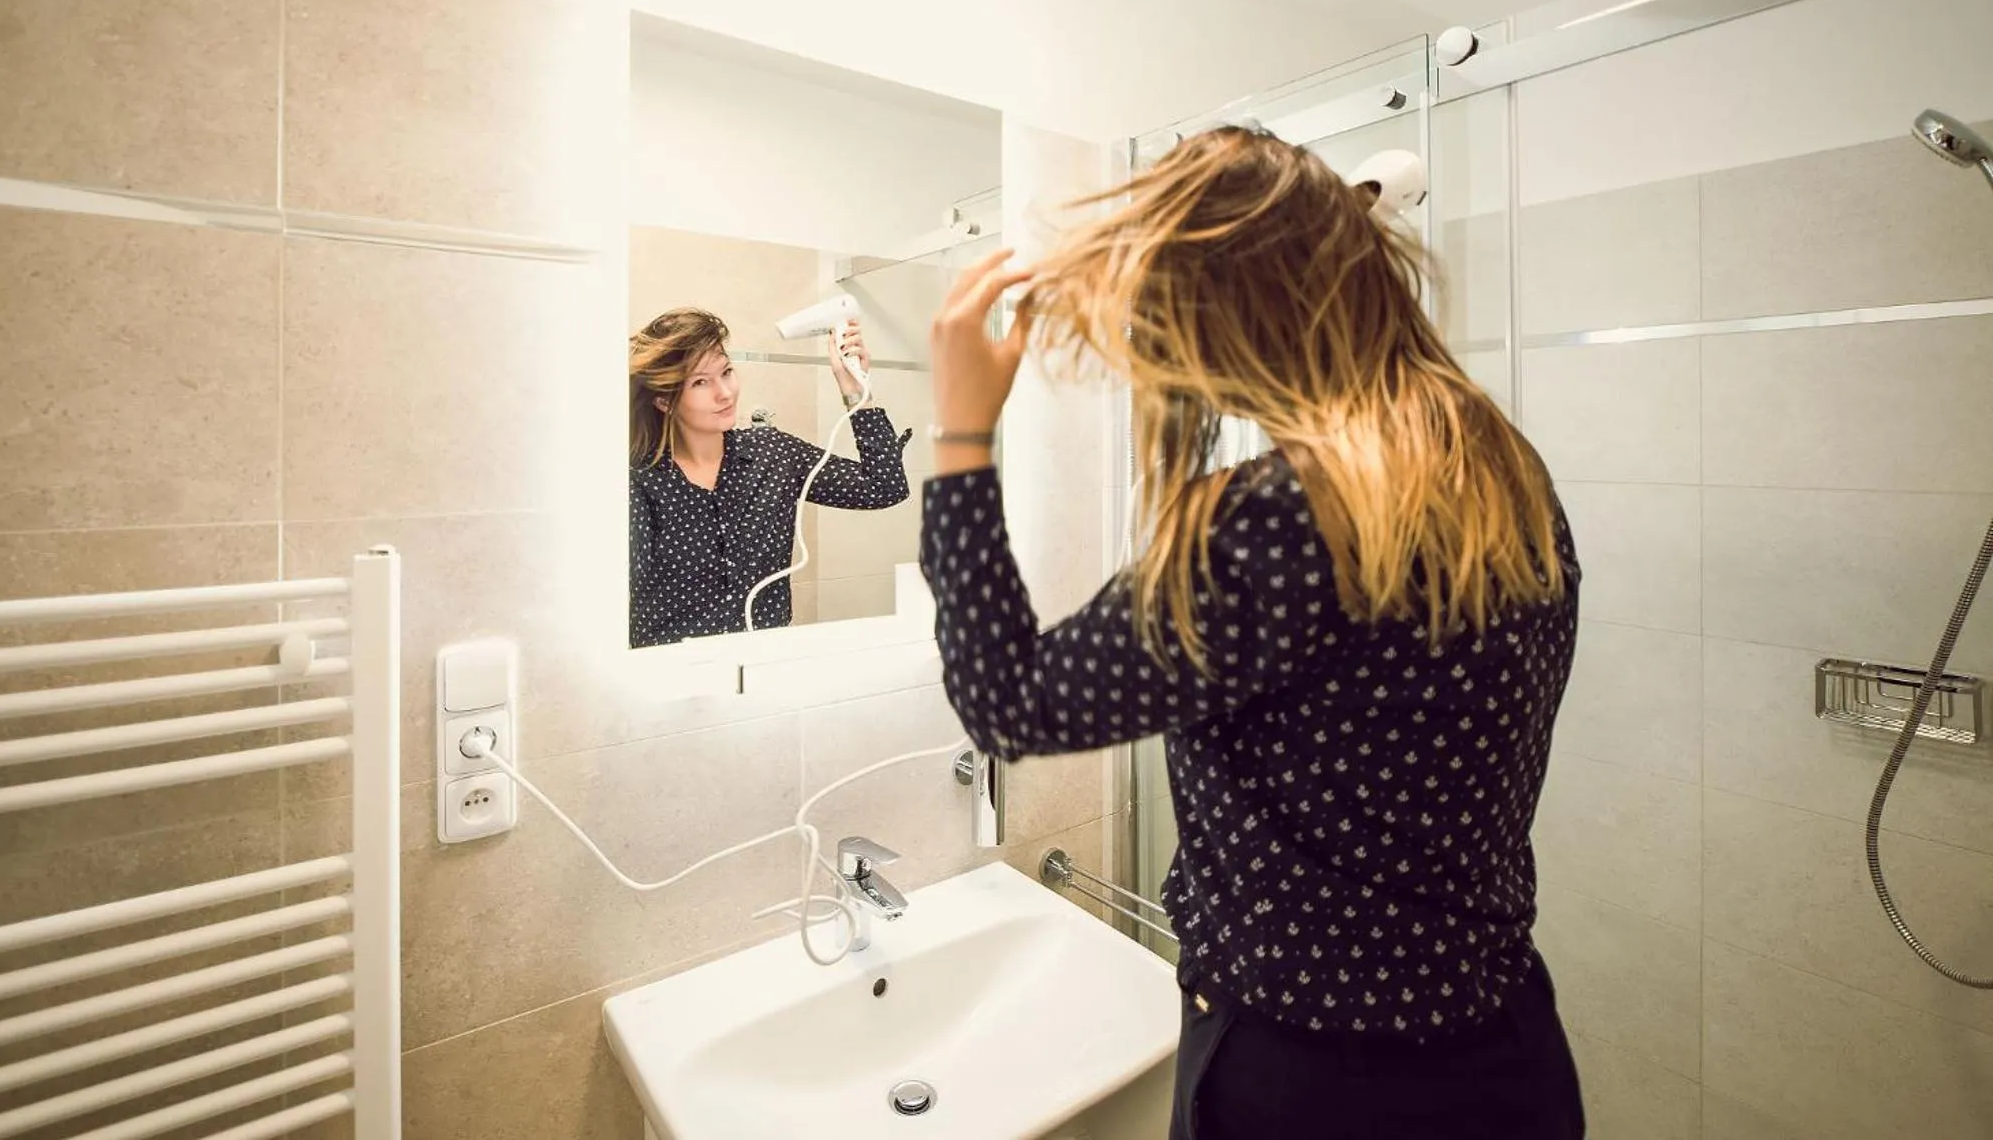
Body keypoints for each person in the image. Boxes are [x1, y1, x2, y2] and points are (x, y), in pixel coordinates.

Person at [920, 128, 1585, 1139]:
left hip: (1314, 1083)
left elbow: (1007, 706)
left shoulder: (1278, 517)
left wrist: (962, 434)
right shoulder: (1496, 468)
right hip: (1504, 1058)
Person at [629, 307, 909, 648]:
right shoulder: (637, 479)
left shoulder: (773, 454)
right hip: (671, 675)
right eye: (701, 382)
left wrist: (855, 389)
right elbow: (617, 585)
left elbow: (884, 487)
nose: (725, 393)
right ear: (664, 400)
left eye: (727, 372)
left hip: (766, 667)